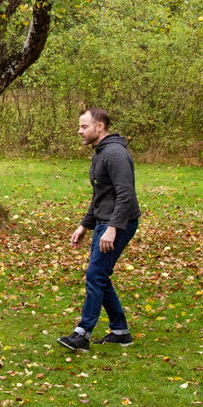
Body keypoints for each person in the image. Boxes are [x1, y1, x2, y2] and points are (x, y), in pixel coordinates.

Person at [58, 107, 139, 352]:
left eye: (84, 126)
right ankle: (120, 331)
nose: (79, 131)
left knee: (95, 275)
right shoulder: (101, 153)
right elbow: (101, 196)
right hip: (105, 222)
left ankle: (82, 334)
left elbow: (125, 195)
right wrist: (85, 225)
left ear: (100, 126)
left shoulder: (114, 154)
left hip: (118, 223)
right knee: (99, 275)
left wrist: (113, 228)